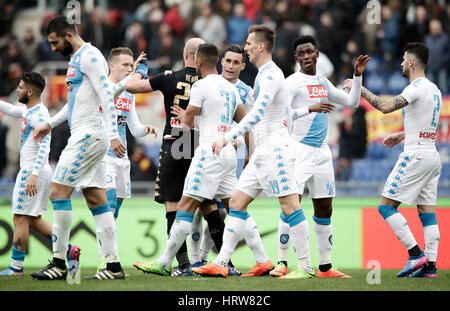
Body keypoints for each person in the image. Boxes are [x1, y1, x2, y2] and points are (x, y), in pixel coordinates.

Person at [192, 25, 309, 278]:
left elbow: (256, 113)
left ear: (260, 46)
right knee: (236, 202)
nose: (245, 48)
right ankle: (222, 263)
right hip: (262, 152)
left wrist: (228, 136)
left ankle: (307, 266)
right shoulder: (264, 75)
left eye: (247, 44)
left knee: (290, 206)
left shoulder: (270, 75)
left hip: (276, 149)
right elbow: (284, 112)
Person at [132, 43, 247, 276]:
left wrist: (141, 68)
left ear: (190, 56)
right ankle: (228, 262)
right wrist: (238, 142)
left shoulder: (174, 78)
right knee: (214, 206)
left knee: (176, 205)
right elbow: (245, 119)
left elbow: (133, 86)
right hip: (216, 147)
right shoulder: (226, 87)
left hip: (182, 143)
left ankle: (181, 264)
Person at [31, 15, 126, 280]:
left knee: (58, 191)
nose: (52, 48)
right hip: (88, 133)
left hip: (89, 135)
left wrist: (114, 133)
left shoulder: (90, 56)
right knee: (96, 198)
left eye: (54, 42)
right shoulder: (76, 60)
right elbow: (75, 104)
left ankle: (60, 263)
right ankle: (113, 266)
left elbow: (107, 96)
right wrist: (50, 123)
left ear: (69, 35)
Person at [270, 35, 369, 279]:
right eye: (301, 53)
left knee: (325, 208)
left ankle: (325, 266)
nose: (306, 56)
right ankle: (282, 261)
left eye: (309, 52)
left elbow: (352, 102)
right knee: (289, 207)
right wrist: (309, 109)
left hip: (322, 153)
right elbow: (282, 116)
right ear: (296, 58)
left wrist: (357, 77)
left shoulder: (323, 82)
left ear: (317, 54)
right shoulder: (291, 83)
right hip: (298, 150)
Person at [344, 42, 441, 278]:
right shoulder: (435, 89)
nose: (400, 64)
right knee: (426, 211)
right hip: (431, 155)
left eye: (403, 59)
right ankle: (430, 266)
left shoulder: (415, 87)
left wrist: (360, 87)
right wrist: (403, 134)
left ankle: (416, 253)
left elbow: (386, 107)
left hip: (415, 155)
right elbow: (432, 126)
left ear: (411, 62)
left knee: (386, 207)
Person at [0, 72, 80, 276]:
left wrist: (33, 174)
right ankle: (69, 249)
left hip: (32, 171)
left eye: (19, 87)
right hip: (36, 171)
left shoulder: (39, 115)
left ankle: (16, 268)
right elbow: (10, 108)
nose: (17, 90)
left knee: (19, 218)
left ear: (29, 91)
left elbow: (45, 145)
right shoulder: (31, 110)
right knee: (34, 220)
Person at [95, 47, 157, 272]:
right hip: (104, 156)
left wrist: (145, 129)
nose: (130, 69)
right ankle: (107, 260)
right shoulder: (104, 88)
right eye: (125, 65)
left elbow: (133, 126)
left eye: (132, 66)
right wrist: (136, 74)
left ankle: (108, 258)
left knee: (115, 212)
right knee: (108, 208)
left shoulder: (128, 93)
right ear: (112, 66)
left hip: (123, 158)